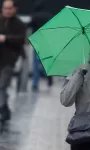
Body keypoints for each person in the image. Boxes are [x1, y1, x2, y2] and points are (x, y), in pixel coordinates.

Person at [0, 0, 26, 130]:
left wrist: (6, 38)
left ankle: (2, 110)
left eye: (10, 8)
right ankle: (5, 110)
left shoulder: (19, 24)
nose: (7, 11)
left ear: (14, 9)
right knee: (2, 88)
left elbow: (22, 40)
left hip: (9, 61)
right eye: (5, 8)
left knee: (2, 86)